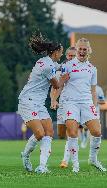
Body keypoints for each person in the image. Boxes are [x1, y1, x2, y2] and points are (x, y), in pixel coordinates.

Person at [18, 32, 68, 174]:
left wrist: (66, 65)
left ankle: (42, 166)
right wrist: (65, 76)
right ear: (56, 52)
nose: (61, 55)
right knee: (39, 133)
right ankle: (26, 156)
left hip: (38, 103)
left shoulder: (46, 61)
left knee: (49, 131)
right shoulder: (47, 67)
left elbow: (58, 66)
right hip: (27, 102)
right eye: (61, 53)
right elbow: (57, 85)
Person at [59, 38, 107, 173]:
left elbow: (93, 90)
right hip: (70, 102)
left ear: (88, 51)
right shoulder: (67, 66)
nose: (81, 51)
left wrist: (94, 107)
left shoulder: (92, 69)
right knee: (73, 132)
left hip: (87, 102)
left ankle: (93, 159)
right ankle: (75, 165)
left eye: (84, 49)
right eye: (79, 49)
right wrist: (55, 100)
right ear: (76, 50)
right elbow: (60, 85)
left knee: (97, 132)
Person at [50, 46, 77, 169]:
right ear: (66, 56)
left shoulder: (81, 69)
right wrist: (53, 100)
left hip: (74, 103)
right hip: (62, 104)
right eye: (70, 55)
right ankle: (71, 147)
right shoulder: (60, 69)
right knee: (61, 133)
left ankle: (65, 160)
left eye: (74, 55)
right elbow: (54, 87)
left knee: (70, 132)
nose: (72, 57)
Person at [80, 85, 105, 149]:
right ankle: (85, 137)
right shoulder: (84, 86)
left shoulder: (99, 89)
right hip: (85, 109)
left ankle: (95, 144)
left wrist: (96, 101)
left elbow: (103, 101)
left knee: (96, 128)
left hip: (95, 110)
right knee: (85, 126)